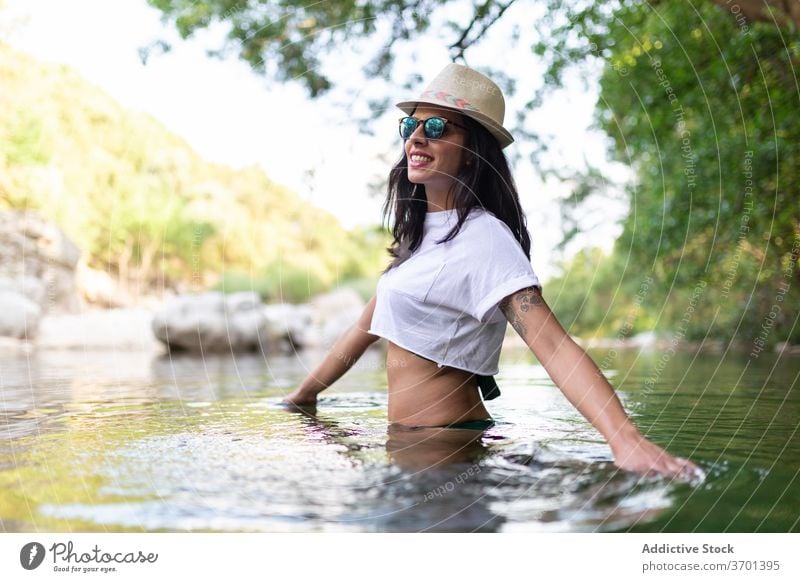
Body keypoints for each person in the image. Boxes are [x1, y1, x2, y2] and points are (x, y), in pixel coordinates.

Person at [283, 63, 703, 480]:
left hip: (446, 447)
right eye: (411, 125)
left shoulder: (485, 238)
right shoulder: (419, 238)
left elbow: (552, 346)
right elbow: (364, 325)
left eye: (436, 127)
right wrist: (303, 397)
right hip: (412, 444)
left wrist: (624, 438)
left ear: (472, 151)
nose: (415, 136)